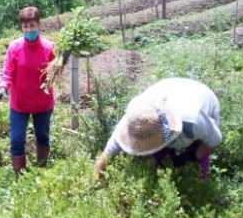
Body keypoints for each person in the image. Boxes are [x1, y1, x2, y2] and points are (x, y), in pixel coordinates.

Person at [93, 77, 222, 181]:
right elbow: (108, 152)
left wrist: (193, 157)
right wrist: (96, 180)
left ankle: (203, 179)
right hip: (167, 88)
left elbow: (214, 140)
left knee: (197, 156)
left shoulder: (194, 122)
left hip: (199, 95)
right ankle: (160, 164)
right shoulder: (135, 117)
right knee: (159, 157)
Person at [0, 6, 55, 174]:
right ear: (21, 27)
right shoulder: (14, 48)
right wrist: (3, 87)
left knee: (42, 136)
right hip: (19, 103)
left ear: (39, 25)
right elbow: (8, 71)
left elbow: (55, 71)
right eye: (25, 27)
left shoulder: (50, 48)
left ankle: (42, 169)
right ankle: (20, 177)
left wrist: (62, 61)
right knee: (16, 139)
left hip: (43, 103)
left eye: (32, 25)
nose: (29, 30)